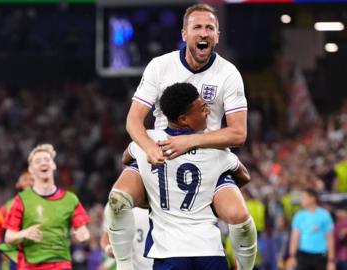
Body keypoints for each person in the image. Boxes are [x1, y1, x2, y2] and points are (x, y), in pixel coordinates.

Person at [107, 3, 256, 270]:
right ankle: (125, 266)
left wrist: (190, 141)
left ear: (217, 36)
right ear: (184, 34)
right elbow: (133, 120)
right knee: (118, 200)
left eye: (210, 28)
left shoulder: (228, 73)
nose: (204, 33)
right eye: (197, 27)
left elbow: (238, 132)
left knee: (239, 216)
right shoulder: (160, 66)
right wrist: (148, 148)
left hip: (210, 158)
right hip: (162, 154)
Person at [123, 82, 250, 269]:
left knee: (118, 198)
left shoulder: (147, 142)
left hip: (168, 252)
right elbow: (244, 176)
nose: (207, 112)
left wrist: (150, 190)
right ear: (184, 120)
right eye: (202, 109)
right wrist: (214, 193)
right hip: (210, 251)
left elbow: (126, 157)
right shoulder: (215, 149)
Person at [4, 143, 91, 270]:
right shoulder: (21, 200)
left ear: (53, 165)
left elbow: (82, 230)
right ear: (31, 169)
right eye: (38, 161)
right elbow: (9, 236)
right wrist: (25, 233)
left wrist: (83, 236)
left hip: (61, 264)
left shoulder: (70, 199)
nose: (43, 163)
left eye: (47, 159)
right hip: (30, 266)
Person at [0, 171, 34, 270]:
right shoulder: (9, 206)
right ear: (18, 183)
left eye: (32, 179)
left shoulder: (46, 203)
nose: (29, 182)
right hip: (13, 260)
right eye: (25, 179)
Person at [286, 188, 335, 270]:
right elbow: (295, 237)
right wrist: (292, 256)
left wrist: (331, 261)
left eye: (304, 197)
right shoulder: (298, 216)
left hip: (320, 255)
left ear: (312, 199)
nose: (301, 200)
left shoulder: (324, 215)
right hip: (303, 255)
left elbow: (329, 239)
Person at [100, 206, 152, 270]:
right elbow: (106, 237)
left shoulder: (157, 202)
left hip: (160, 264)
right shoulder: (113, 204)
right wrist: (108, 248)